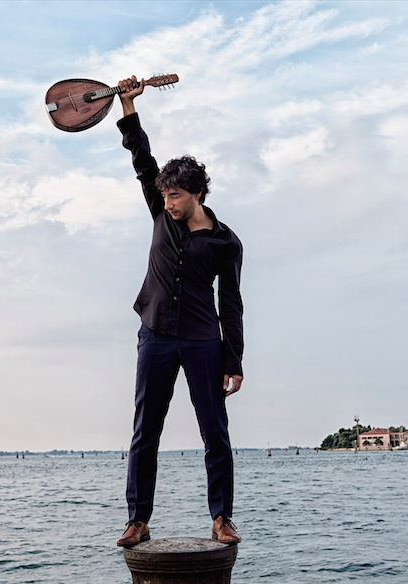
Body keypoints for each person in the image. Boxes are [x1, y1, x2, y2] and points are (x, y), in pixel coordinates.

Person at [114, 75, 244, 547]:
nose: (167, 203)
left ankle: (222, 518)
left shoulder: (225, 242)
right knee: (145, 431)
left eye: (175, 196)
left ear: (197, 195)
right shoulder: (159, 207)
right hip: (154, 334)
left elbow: (231, 303)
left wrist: (234, 361)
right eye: (163, 195)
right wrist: (127, 105)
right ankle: (138, 519)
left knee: (215, 433)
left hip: (203, 340)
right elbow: (140, 155)